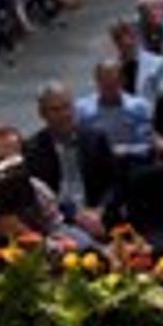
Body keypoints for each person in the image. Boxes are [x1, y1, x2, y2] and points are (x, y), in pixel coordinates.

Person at [24, 82, 117, 223]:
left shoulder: (96, 139)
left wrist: (100, 210)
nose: (64, 114)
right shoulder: (33, 149)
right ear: (42, 114)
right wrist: (73, 216)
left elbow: (114, 183)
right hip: (56, 220)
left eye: (67, 107)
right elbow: (35, 197)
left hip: (96, 214)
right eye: (55, 110)